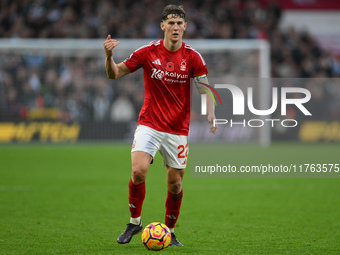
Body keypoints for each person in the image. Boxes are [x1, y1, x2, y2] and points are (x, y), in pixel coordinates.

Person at [103, 4, 217, 247]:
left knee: (175, 184)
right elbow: (115, 74)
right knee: (138, 171)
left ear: (185, 27)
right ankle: (134, 222)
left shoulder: (193, 57)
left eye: (179, 24)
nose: (175, 27)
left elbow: (205, 89)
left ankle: (171, 230)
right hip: (150, 124)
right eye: (171, 23)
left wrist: (210, 112)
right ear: (163, 25)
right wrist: (108, 56)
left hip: (177, 129)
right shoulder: (147, 52)